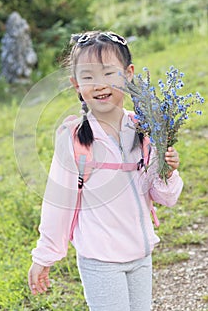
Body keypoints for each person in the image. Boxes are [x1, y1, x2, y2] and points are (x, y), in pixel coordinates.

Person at [28, 31, 183, 311]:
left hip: (140, 254)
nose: (99, 85)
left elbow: (164, 196)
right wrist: (44, 256)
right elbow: (58, 203)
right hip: (100, 259)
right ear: (76, 85)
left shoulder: (145, 128)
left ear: (128, 74)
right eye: (88, 77)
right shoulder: (74, 139)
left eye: (109, 73)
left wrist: (168, 172)